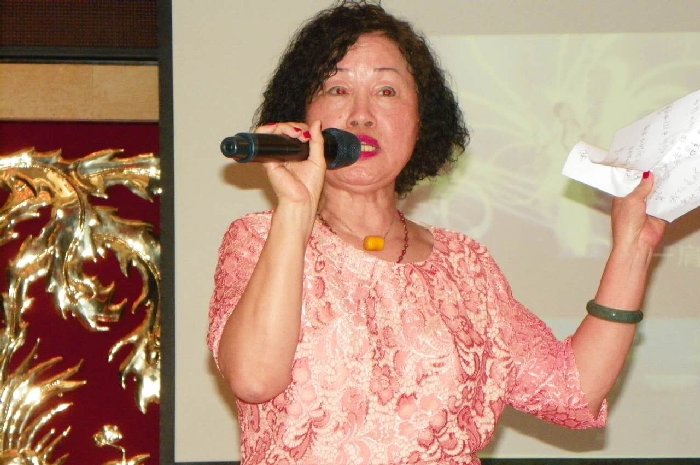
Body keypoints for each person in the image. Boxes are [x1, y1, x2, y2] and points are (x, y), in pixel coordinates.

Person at [207, 2, 667, 464]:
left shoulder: (466, 266)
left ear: (420, 121)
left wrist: (633, 248)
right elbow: (254, 380)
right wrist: (296, 209)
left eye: (386, 91)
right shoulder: (259, 240)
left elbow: (571, 391)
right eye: (337, 88)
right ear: (303, 116)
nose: (361, 115)